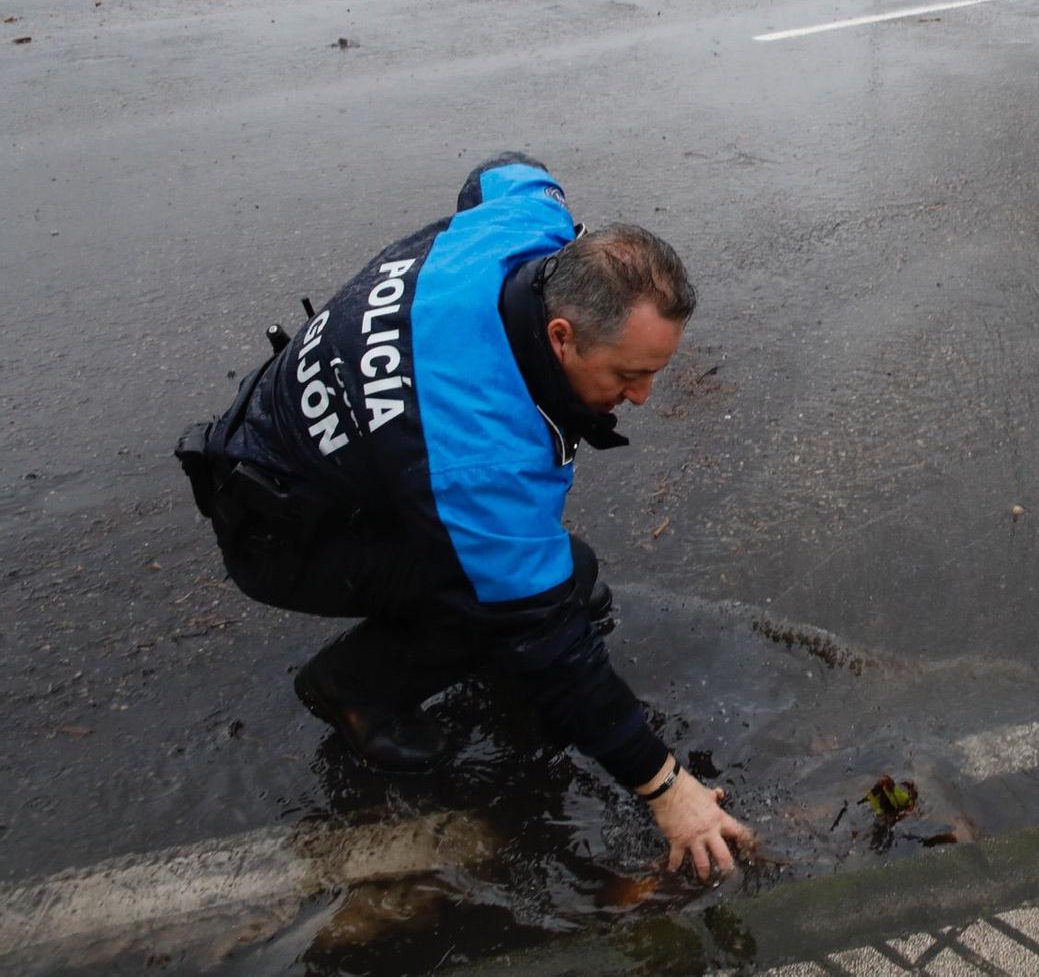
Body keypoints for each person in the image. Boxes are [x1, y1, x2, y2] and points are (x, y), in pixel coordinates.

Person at [175, 154, 751, 881]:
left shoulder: (527, 228)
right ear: (563, 335)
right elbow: (543, 629)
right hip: (280, 529)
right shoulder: (479, 450)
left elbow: (504, 170)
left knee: (564, 576)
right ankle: (355, 689)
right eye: (626, 375)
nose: (639, 396)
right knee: (526, 599)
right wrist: (668, 789)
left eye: (653, 372)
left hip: (315, 452)